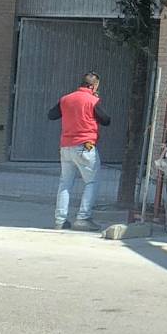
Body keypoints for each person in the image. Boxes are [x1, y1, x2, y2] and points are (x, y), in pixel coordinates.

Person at [48, 72, 110, 231]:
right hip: (85, 146)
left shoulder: (66, 99)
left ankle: (60, 220)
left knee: (65, 183)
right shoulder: (92, 100)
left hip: (66, 147)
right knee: (91, 182)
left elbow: (52, 115)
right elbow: (106, 120)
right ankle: (83, 218)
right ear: (94, 85)